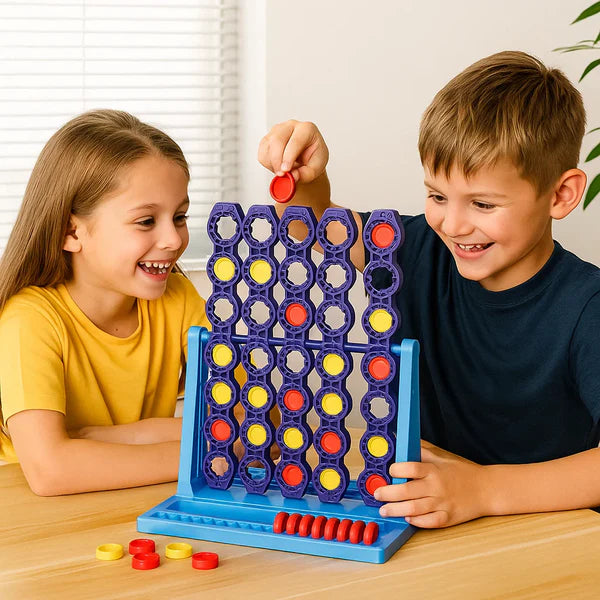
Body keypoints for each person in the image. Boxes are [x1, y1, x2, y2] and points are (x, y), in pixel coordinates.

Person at [258, 51, 600, 528]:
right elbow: (310, 226)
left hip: (541, 533)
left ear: (561, 195)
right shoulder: (416, 248)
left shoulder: (587, 307)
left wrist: (482, 489)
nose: (452, 224)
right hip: (424, 519)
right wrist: (303, 176)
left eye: (482, 204)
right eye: (437, 196)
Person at [0, 109, 210, 495]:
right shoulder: (29, 320)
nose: (173, 240)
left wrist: (112, 437)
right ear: (71, 231)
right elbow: (50, 472)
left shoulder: (178, 299)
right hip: (43, 519)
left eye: (180, 216)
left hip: (137, 501)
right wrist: (209, 453)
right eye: (146, 221)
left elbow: (256, 424)